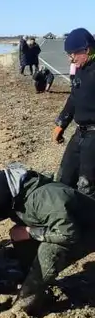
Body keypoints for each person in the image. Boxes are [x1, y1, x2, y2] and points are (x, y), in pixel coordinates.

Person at [0, 164, 95, 316]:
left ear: (0, 194)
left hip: (85, 233)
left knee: (48, 251)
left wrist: (29, 232)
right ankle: (29, 274)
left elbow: (68, 234)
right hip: (64, 228)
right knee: (18, 234)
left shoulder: (44, 199)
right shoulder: (16, 196)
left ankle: (25, 303)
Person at [52, 27, 95, 198]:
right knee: (63, 179)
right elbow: (73, 98)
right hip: (80, 133)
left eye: (73, 54)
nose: (70, 58)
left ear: (87, 50)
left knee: (87, 187)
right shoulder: (81, 69)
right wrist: (60, 124)